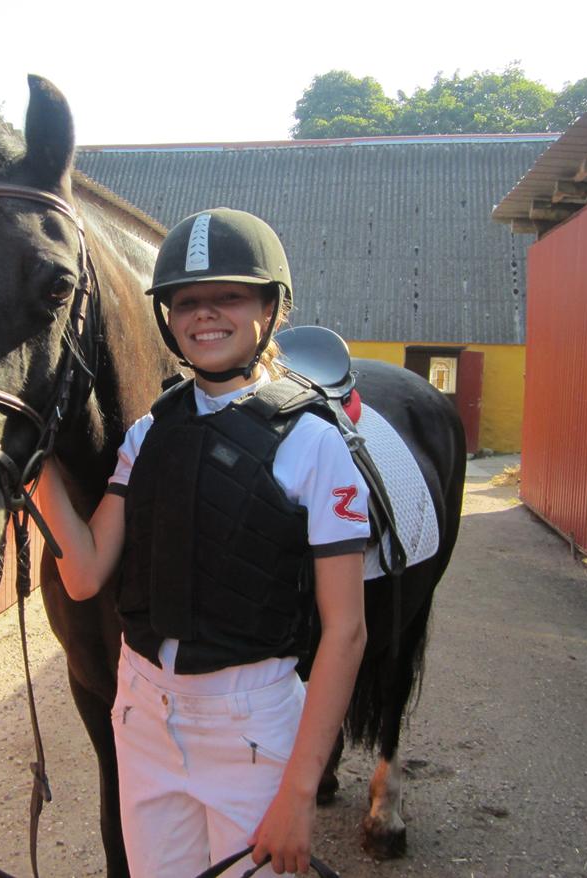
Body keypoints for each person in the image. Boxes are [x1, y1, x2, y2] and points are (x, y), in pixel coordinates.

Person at [38, 208, 369, 877]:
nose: (204, 315)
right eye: (186, 302)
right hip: (142, 717)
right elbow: (84, 573)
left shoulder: (314, 445)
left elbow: (346, 633)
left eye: (229, 296)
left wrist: (300, 794)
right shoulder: (146, 435)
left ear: (270, 306)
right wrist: (35, 463)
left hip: (250, 725)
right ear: (167, 317)